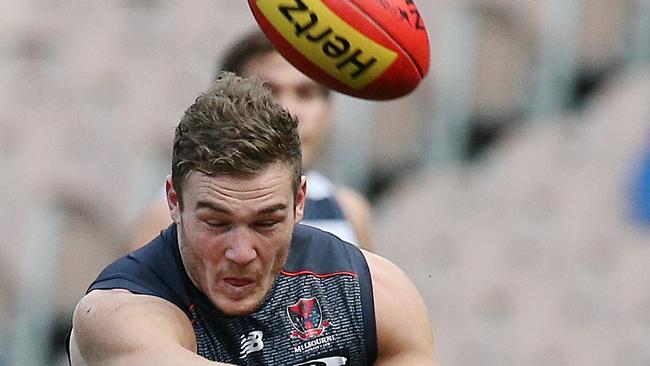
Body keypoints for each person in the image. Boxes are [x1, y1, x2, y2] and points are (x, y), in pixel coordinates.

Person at [67, 73, 437, 365]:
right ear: (174, 201)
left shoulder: (370, 292)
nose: (242, 253)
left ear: (299, 202)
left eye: (266, 223)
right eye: (217, 223)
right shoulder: (118, 312)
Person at [129, 29, 372, 251]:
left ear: (329, 110)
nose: (288, 110)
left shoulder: (349, 211)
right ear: (224, 102)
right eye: (268, 91)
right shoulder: (173, 214)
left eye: (306, 93)